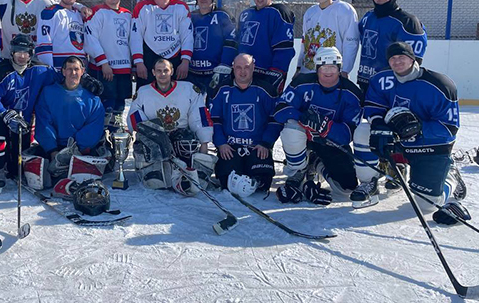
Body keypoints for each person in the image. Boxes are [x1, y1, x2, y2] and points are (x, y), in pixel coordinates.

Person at [355, 42, 466, 224]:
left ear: (412, 58)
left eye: (402, 57)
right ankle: (369, 181)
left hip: (429, 145)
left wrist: (420, 128)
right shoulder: (381, 80)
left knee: (426, 205)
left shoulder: (440, 84)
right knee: (363, 131)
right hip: (397, 139)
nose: (397, 61)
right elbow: (374, 106)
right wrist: (379, 124)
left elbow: (449, 128)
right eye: (393, 58)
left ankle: (449, 176)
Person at [273, 47, 363, 206]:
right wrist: (303, 117)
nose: (328, 72)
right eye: (323, 67)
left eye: (333, 67)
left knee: (346, 189)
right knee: (290, 130)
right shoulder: (302, 82)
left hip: (329, 142)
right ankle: (298, 170)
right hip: (305, 137)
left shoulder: (352, 93)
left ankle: (316, 164)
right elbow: (280, 109)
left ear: (339, 68)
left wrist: (326, 126)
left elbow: (347, 134)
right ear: (317, 68)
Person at [0, 34, 59, 189]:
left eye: (26, 52)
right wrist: (5, 114)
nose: (22, 56)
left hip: (24, 121)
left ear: (31, 53)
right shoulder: (0, 71)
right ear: (12, 52)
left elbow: (63, 79)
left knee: (15, 167)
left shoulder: (41, 70)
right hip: (1, 118)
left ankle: (8, 162)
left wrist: (83, 81)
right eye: (18, 52)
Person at [127, 58, 213, 194]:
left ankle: (186, 169)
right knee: (156, 178)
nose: (162, 74)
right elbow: (135, 117)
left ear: (171, 71)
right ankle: (157, 168)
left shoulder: (188, 89)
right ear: (153, 73)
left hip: (179, 136)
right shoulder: (143, 92)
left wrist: (204, 142)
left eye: (166, 70)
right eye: (159, 71)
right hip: (157, 138)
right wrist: (152, 135)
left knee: (187, 139)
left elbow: (199, 114)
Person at [26, 56, 107, 189]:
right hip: (54, 148)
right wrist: (52, 150)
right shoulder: (48, 93)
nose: (73, 73)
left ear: (82, 71)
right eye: (69, 69)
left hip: (79, 150)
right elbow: (44, 122)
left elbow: (94, 127)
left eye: (76, 69)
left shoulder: (92, 99)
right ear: (63, 71)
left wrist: (75, 149)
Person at [208, 54, 280, 193]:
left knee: (262, 183)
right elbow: (214, 120)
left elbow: (275, 120)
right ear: (233, 68)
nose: (242, 71)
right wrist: (221, 144)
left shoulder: (266, 90)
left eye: (246, 67)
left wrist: (266, 143)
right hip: (230, 148)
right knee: (226, 183)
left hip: (257, 147)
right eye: (238, 67)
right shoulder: (221, 90)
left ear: (253, 67)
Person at [217, 0, 295, 95]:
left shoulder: (279, 12)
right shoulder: (246, 14)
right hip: (244, 73)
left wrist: (277, 72)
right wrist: (227, 64)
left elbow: (284, 48)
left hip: (266, 74)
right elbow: (236, 43)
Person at [357, 0, 427, 92]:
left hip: (392, 84)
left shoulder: (407, 21)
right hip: (366, 80)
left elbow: (415, 58)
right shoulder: (368, 17)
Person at [84, 0, 133, 132]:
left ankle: (116, 137)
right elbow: (90, 39)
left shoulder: (128, 15)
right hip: (104, 68)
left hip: (124, 68)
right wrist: (103, 62)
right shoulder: (98, 12)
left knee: (119, 105)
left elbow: (133, 40)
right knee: (106, 105)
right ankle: (101, 138)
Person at [130, 0, 193, 89]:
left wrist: (185, 61)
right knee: (146, 95)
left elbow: (187, 36)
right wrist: (138, 62)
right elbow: (135, 36)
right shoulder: (142, 7)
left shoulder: (181, 6)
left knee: (177, 96)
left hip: (175, 58)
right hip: (149, 58)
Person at [295, 0, 360, 77]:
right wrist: (298, 68)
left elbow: (351, 42)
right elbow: (305, 42)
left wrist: (345, 70)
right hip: (308, 71)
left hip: (330, 72)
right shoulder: (310, 12)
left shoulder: (345, 10)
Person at [188, 0, 235, 97]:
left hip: (214, 73)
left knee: (214, 111)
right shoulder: (190, 16)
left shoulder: (223, 15)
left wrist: (225, 64)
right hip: (192, 73)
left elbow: (232, 41)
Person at [36, 0, 86, 71]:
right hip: (59, 67)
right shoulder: (50, 13)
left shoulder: (80, 14)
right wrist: (49, 69)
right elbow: (44, 42)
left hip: (79, 68)